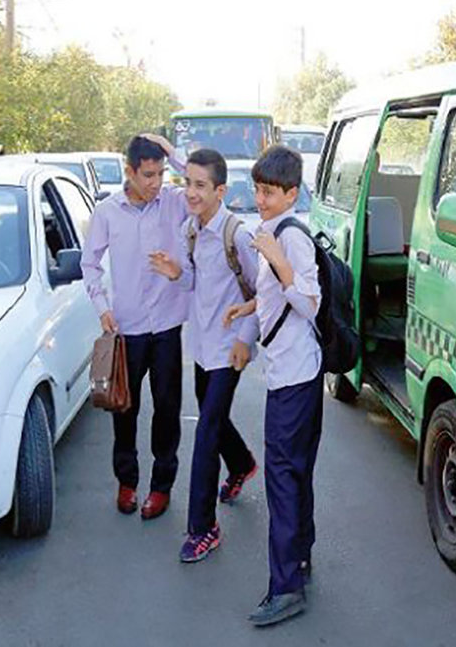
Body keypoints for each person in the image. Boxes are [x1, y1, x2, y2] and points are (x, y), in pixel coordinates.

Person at [148, 148, 259, 564]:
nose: (190, 193)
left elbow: (261, 294)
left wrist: (246, 339)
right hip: (201, 344)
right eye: (187, 183)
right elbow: (193, 282)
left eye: (199, 185)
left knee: (206, 431)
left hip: (230, 348)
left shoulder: (239, 235)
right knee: (216, 418)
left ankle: (203, 528)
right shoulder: (190, 230)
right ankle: (244, 463)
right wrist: (177, 273)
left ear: (220, 190)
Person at [80, 133, 189, 519]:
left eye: (160, 173)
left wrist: (173, 153)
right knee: (124, 410)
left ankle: (161, 487)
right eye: (147, 174)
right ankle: (127, 481)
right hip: (126, 329)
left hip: (167, 328)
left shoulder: (175, 202)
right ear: (128, 171)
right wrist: (102, 306)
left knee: (167, 409)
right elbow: (89, 263)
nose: (155, 182)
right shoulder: (108, 211)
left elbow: (202, 182)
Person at [237, 145, 323, 627]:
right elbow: (277, 297)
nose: (261, 199)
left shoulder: (290, 239)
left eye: (270, 192)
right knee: (296, 473)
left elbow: (308, 300)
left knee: (283, 480)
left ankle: (286, 586)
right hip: (295, 372)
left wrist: (277, 259)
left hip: (293, 378)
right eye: (258, 190)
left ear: (292, 193)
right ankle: (301, 560)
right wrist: (248, 309)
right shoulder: (273, 231)